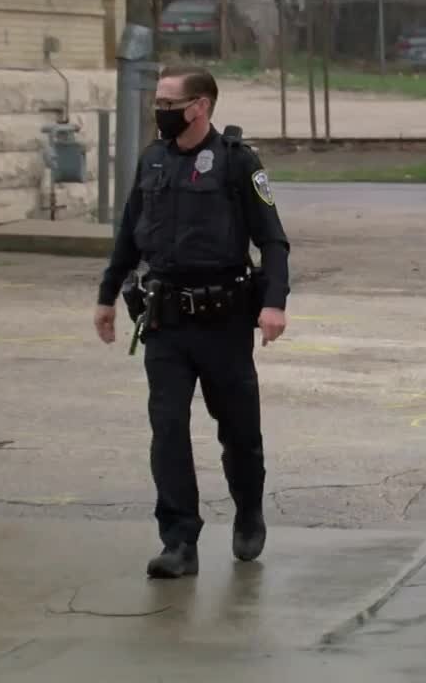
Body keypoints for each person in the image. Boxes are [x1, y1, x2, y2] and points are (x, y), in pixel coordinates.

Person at [94, 65, 291, 579]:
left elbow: (272, 239)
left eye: (167, 101)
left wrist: (275, 302)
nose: (158, 110)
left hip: (224, 320)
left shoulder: (238, 163)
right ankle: (179, 539)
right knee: (168, 429)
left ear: (199, 106)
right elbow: (129, 234)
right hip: (165, 322)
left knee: (240, 431)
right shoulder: (153, 160)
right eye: (158, 100)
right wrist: (107, 295)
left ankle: (248, 509)